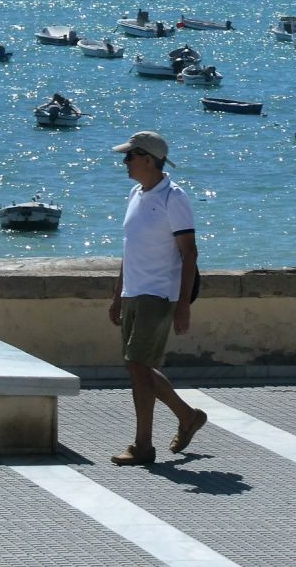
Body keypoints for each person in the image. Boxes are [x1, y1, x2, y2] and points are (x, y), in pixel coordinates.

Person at [107, 131, 206, 465]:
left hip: (158, 293)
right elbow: (129, 249)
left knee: (137, 365)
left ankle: (143, 446)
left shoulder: (172, 198)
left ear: (147, 159)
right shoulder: (136, 193)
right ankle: (187, 416)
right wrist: (118, 294)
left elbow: (189, 253)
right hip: (134, 291)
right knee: (137, 366)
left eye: (129, 156)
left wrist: (182, 307)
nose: (125, 162)